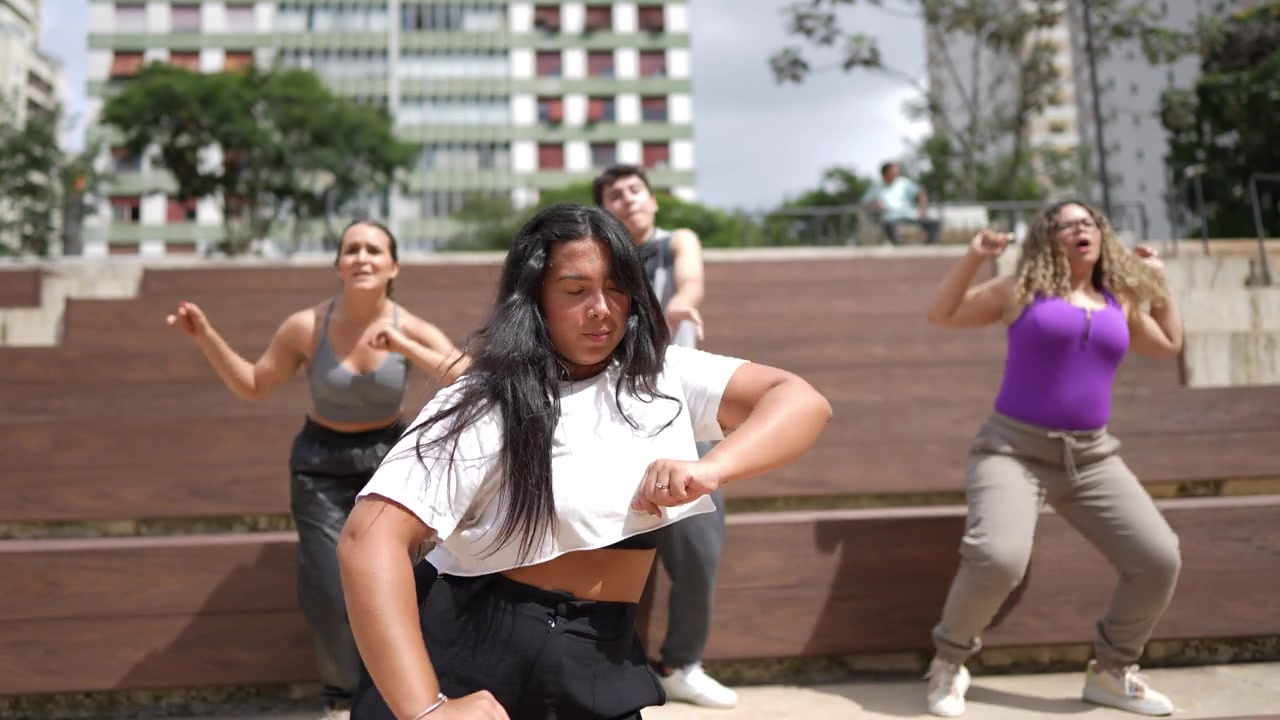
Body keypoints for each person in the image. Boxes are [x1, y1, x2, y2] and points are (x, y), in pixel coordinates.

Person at [336, 203, 833, 720]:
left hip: (601, 652)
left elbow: (801, 401)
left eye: (616, 288)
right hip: (471, 645)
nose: (601, 308)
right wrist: (426, 709)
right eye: (575, 291)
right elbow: (368, 540)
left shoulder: (660, 377)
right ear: (534, 296)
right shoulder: (485, 400)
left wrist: (711, 468)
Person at [165, 220, 470, 719]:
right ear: (338, 265)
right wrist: (206, 336)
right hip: (321, 467)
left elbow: (468, 377)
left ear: (393, 267)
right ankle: (341, 698)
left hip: (389, 462)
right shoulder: (305, 326)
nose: (362, 257)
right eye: (352, 249)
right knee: (329, 587)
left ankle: (399, 695)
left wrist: (404, 346)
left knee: (398, 578)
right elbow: (254, 385)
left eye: (374, 250)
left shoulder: (409, 325)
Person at [922, 201, 1184, 717]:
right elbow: (943, 314)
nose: (1081, 229)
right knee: (998, 558)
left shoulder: (1118, 301)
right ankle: (948, 663)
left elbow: (1170, 344)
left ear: (1101, 235)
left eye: (1089, 222)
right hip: (1012, 451)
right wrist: (974, 258)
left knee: (1158, 559)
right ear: (1049, 237)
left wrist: (1159, 283)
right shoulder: (1022, 290)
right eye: (1067, 224)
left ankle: (1111, 672)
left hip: (1092, 458)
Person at [592, 164, 736, 709]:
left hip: (681, 421)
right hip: (613, 419)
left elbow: (691, 279)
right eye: (615, 195)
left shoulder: (679, 241)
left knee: (699, 548)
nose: (628, 199)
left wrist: (680, 303)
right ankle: (598, 667)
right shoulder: (600, 259)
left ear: (652, 199)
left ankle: (682, 663)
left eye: (636, 190)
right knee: (603, 547)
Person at [860, 161, 941, 245]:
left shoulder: (904, 182)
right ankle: (898, 246)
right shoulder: (876, 187)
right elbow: (864, 203)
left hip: (908, 214)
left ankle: (930, 246)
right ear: (884, 174)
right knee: (892, 229)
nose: (896, 174)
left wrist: (922, 210)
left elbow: (921, 193)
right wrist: (874, 205)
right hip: (890, 217)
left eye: (897, 172)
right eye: (893, 172)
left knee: (934, 223)